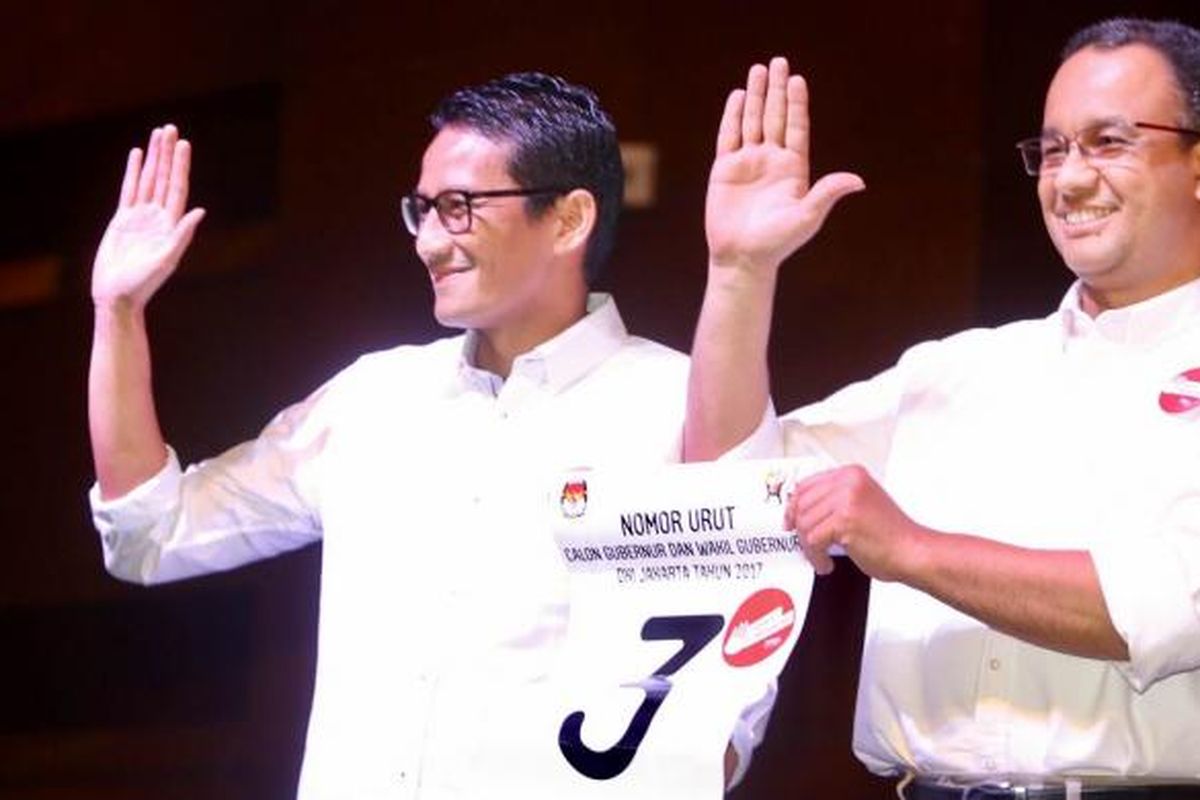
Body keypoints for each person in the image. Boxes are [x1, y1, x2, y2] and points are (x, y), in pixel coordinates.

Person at [88, 72, 770, 798]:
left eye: (460, 208)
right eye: (423, 210)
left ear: (569, 220)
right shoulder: (374, 398)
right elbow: (151, 532)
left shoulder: (673, 402)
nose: (429, 242)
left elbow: (727, 708)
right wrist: (118, 312)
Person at [687, 18, 1200, 799]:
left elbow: (1167, 608)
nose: (1069, 178)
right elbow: (726, 488)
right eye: (1053, 149)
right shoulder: (958, 369)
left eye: (1109, 142)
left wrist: (909, 548)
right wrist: (740, 270)